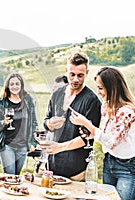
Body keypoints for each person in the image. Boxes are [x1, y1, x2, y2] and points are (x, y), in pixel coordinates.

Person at [70, 67, 135, 200]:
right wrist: (92, 134)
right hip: (109, 162)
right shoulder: (106, 105)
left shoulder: (127, 112)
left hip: (128, 168)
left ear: (112, 87)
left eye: (101, 88)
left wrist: (87, 124)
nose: (98, 92)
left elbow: (111, 141)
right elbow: (106, 135)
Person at [40, 52, 101, 181]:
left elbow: (88, 139)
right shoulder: (56, 94)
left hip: (76, 172)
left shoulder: (92, 101)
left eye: (80, 75)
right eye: (72, 74)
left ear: (87, 73)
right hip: (51, 168)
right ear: (66, 70)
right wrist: (49, 123)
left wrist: (59, 147)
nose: (75, 79)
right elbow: (45, 121)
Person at [0, 72, 38, 175]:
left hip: (23, 146)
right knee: (10, 176)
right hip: (7, 145)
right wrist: (4, 122)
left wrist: (33, 143)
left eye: (17, 84)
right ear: (8, 86)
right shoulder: (2, 102)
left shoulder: (28, 100)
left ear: (21, 85)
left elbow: (34, 123)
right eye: (12, 84)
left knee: (17, 176)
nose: (14, 87)